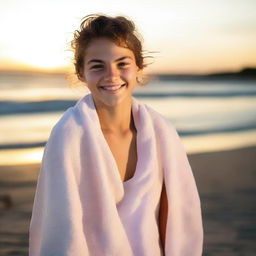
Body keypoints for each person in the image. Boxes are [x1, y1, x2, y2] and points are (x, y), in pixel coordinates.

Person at [29, 14, 203, 256]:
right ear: (81, 73)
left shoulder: (161, 131)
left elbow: (175, 214)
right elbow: (62, 226)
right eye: (97, 65)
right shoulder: (68, 135)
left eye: (123, 63)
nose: (112, 75)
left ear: (138, 68)